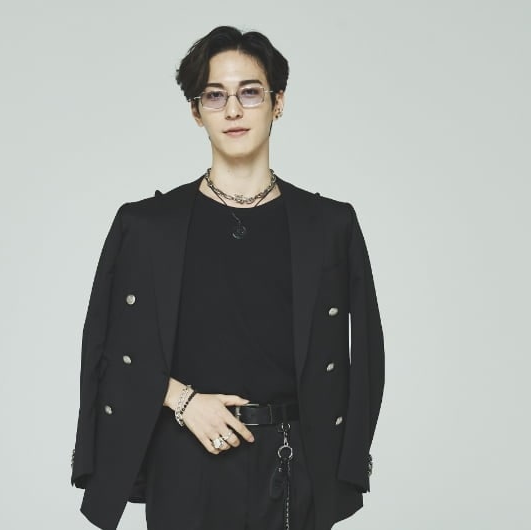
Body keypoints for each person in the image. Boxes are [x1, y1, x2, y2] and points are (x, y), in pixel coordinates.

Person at [71, 26, 385, 530]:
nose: (233, 110)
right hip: (183, 458)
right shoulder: (146, 226)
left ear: (278, 102)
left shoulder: (329, 225)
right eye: (215, 95)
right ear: (197, 112)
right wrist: (182, 400)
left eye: (250, 92)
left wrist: (345, 468)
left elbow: (367, 351)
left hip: (292, 462)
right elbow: (106, 349)